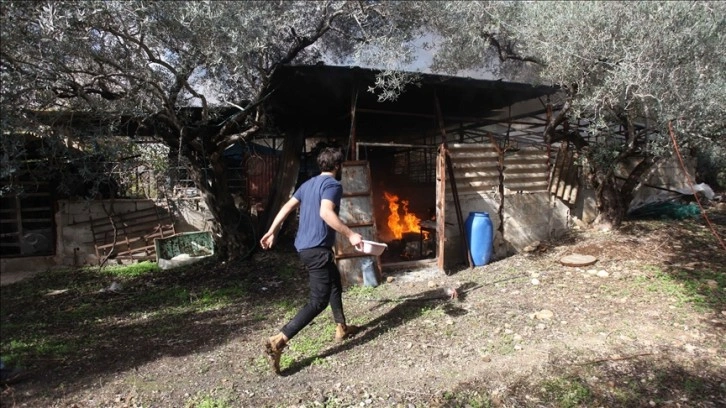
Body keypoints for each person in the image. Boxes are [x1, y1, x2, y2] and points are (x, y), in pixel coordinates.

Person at [259, 146, 363, 374]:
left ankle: (341, 327)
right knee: (318, 301)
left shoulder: (308, 184)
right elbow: (326, 213)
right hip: (316, 250)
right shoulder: (333, 185)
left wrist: (272, 230)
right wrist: (351, 234)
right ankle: (280, 339)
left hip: (305, 248)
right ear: (338, 166)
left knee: (334, 281)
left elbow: (287, 206)